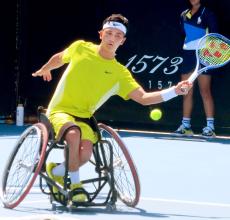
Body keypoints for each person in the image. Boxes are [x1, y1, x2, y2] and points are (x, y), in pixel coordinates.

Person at [32, 14, 191, 202]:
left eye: (117, 35)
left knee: (85, 153)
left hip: (84, 117)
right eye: (109, 33)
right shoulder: (80, 48)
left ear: (122, 41)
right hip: (59, 111)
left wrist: (175, 91)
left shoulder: (120, 73)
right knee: (73, 134)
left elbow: (144, 98)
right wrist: (46, 68)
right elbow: (59, 58)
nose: (112, 38)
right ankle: (76, 186)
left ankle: (56, 170)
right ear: (101, 34)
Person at [174, 0, 218, 137]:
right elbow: (184, 33)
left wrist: (206, 51)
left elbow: (214, 35)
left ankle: (210, 127)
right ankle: (185, 126)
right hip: (188, 54)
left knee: (205, 91)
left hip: (203, 54)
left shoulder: (207, 13)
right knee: (185, 91)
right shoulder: (184, 14)